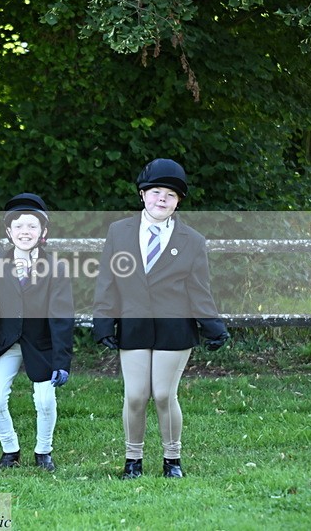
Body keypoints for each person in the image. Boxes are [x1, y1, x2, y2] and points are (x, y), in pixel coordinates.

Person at [92, 159, 230, 479]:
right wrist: (103, 322)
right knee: (136, 394)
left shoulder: (192, 240)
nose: (162, 199)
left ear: (179, 200)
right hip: (134, 324)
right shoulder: (119, 232)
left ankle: (172, 459)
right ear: (142, 194)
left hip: (174, 328)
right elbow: (107, 280)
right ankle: (132, 460)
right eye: (155, 191)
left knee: (165, 394)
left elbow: (199, 290)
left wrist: (213, 327)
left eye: (170, 194)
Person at [0, 193, 74, 472]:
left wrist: (62, 360)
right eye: (20, 227)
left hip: (42, 343)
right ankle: (10, 449)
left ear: (43, 232)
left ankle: (43, 451)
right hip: (8, 342)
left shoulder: (56, 267)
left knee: (45, 400)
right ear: (9, 232)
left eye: (32, 226)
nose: (26, 232)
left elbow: (61, 318)